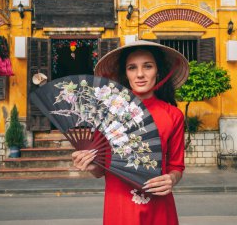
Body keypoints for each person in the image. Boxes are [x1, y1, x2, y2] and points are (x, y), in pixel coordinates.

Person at [72, 40, 189, 225]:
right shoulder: (106, 113)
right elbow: (100, 170)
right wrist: (89, 164)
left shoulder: (173, 115)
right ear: (125, 74)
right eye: (132, 68)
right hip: (119, 206)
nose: (140, 74)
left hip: (158, 206)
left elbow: (176, 166)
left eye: (148, 66)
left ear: (158, 71)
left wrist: (171, 179)